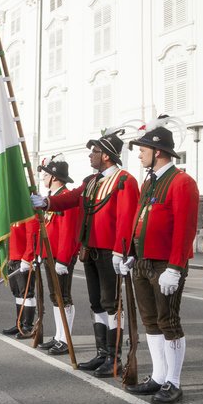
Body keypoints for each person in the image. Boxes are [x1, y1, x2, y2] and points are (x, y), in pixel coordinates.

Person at [32, 130, 139, 377]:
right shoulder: (91, 181)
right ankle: (102, 353)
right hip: (90, 250)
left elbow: (126, 217)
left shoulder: (124, 180)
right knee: (97, 304)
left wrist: (120, 251)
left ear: (107, 156)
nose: (91, 155)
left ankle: (115, 358)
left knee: (112, 305)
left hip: (109, 252)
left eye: (96, 152)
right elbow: (70, 199)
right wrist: (46, 203)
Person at [121, 118, 199, 404]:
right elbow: (140, 218)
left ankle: (173, 383)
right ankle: (158, 376)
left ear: (158, 152)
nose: (139, 153)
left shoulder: (182, 182)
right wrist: (130, 253)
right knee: (150, 321)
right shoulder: (149, 181)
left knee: (169, 321)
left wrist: (176, 268)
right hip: (143, 261)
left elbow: (185, 228)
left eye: (142, 149)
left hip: (165, 265)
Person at [36, 155, 80, 355]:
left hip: (60, 257)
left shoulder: (65, 198)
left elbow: (68, 232)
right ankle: (58, 335)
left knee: (63, 296)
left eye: (45, 175)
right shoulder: (51, 200)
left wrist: (63, 258)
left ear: (54, 177)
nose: (43, 178)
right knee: (55, 297)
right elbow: (46, 228)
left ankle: (65, 338)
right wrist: (40, 252)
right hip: (49, 254)